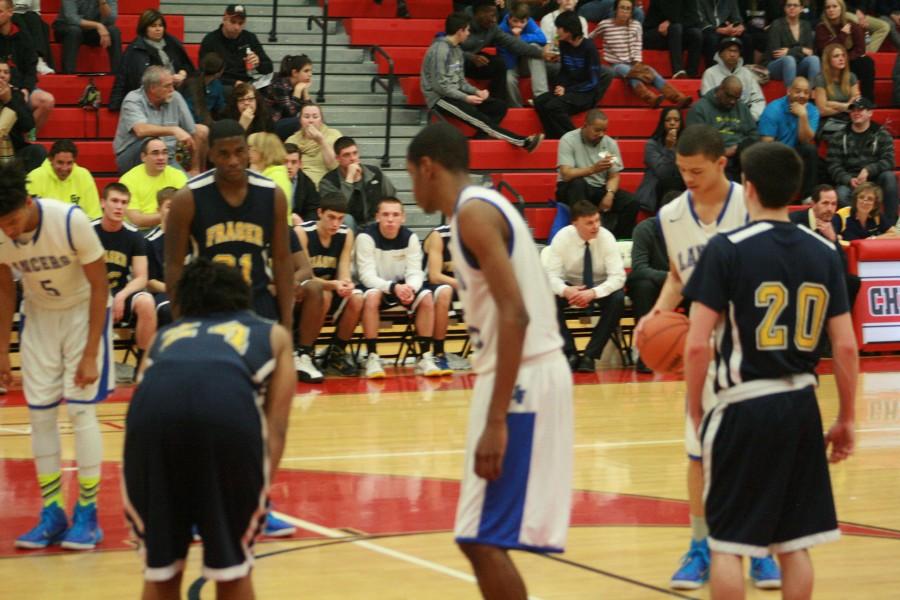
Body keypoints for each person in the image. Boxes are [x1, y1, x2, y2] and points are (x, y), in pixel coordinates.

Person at [681, 141, 857, 600]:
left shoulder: (726, 248)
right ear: (797, 191)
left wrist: (694, 413)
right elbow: (845, 346)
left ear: (750, 189)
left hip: (742, 406)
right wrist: (847, 417)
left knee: (727, 544)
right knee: (794, 544)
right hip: (801, 403)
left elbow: (697, 344)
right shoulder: (824, 252)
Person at [407, 122, 573, 600]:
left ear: (428, 167)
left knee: (480, 537)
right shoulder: (480, 207)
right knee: (479, 537)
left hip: (525, 376)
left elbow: (516, 314)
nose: (412, 184)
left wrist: (497, 418)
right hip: (517, 372)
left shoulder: (473, 215)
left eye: (411, 173)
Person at [633, 124, 781, 591]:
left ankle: (760, 549)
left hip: (754, 348)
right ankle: (700, 545)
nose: (689, 178)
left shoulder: (752, 204)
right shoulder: (673, 214)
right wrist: (656, 314)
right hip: (704, 352)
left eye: (697, 171)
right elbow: (678, 275)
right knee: (698, 454)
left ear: (722, 163)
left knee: (756, 454)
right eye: (681, 170)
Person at [123, 257, 296, 600]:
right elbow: (275, 428)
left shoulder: (165, 335)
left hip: (150, 430)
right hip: (226, 423)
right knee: (232, 570)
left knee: (161, 571)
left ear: (184, 301)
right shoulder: (273, 335)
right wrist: (256, 491)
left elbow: (138, 407)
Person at [164, 119, 297, 536]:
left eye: (240, 152)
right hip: (208, 314)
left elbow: (283, 260)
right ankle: (201, 505)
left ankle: (258, 501)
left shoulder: (271, 195)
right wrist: (182, 323)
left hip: (257, 311)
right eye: (224, 153)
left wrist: (287, 325)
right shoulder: (189, 199)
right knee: (208, 415)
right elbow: (172, 267)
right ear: (211, 155)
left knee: (257, 418)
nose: (234, 160)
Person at [0, 162, 113, 551]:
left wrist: (90, 353)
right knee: (39, 415)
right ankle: (52, 511)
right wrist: (2, 350)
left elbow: (100, 287)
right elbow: (4, 292)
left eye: (13, 220)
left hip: (83, 312)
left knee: (81, 410)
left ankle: (88, 513)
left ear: (28, 202)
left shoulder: (69, 220)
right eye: (3, 225)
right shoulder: (0, 232)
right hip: (40, 318)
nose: (9, 230)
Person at [421, 11, 544, 153]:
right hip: (440, 98)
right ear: (460, 31)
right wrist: (466, 97)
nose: (468, 33)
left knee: (498, 106)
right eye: (467, 30)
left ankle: (476, 143)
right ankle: (523, 142)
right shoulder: (440, 50)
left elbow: (460, 81)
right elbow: (440, 86)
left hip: (455, 94)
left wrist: (476, 91)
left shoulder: (457, 51)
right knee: (480, 119)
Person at [354, 197, 442, 379]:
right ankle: (372, 356)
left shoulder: (410, 238)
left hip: (401, 288)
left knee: (426, 296)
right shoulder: (365, 237)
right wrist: (393, 288)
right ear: (377, 217)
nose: (390, 219)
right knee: (372, 296)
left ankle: (425, 356)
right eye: (385, 215)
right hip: (377, 287)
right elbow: (366, 276)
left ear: (403, 217)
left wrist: (410, 288)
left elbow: (415, 272)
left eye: (395, 215)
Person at [542, 200, 626, 374]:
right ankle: (569, 353)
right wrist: (565, 290)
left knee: (618, 298)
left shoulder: (607, 237)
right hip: (571, 286)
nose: (595, 226)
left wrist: (593, 293)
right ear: (575, 224)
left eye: (597, 220)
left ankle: (590, 355)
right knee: (546, 298)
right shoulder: (562, 238)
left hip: (599, 286)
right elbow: (550, 277)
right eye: (589, 223)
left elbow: (618, 277)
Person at [295, 193, 364, 377]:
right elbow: (305, 274)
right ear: (320, 213)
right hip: (303, 292)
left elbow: (343, 267)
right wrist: (333, 285)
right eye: (331, 217)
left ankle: (336, 353)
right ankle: (306, 351)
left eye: (340, 219)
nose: (336, 223)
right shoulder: (302, 232)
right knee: (322, 294)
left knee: (357, 298)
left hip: (330, 288)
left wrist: (346, 283)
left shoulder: (346, 233)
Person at [92, 182, 156, 358]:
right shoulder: (88, 231)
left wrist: (121, 295)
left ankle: (142, 365)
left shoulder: (134, 235)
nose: (119, 206)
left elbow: (142, 277)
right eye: (114, 201)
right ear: (103, 202)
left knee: (146, 302)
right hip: (90, 294)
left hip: (120, 293)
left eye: (124, 202)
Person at [590, 0, 692, 109]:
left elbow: (638, 46)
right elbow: (589, 38)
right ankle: (670, 97)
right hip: (615, 65)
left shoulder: (636, 25)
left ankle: (669, 98)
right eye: (622, 8)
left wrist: (637, 63)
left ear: (632, 12)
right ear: (616, 9)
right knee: (629, 70)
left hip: (633, 63)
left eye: (628, 9)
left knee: (641, 73)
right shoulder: (605, 24)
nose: (625, 11)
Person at [555, 109, 639, 239]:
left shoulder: (610, 143)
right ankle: (581, 237)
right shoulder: (568, 139)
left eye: (604, 130)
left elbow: (614, 176)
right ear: (585, 126)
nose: (601, 134)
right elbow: (566, 174)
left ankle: (617, 241)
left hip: (598, 187)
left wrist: (610, 193)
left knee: (632, 202)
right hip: (571, 187)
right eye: (597, 130)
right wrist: (592, 169)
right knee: (578, 184)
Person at [113, 66, 209, 175]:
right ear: (153, 88)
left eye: (172, 85)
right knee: (152, 141)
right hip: (133, 155)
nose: (172, 89)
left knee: (201, 130)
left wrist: (195, 169)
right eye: (167, 86)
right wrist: (173, 130)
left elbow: (193, 132)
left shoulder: (175, 97)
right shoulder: (133, 99)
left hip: (167, 157)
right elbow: (140, 130)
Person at [533, 11, 608, 140]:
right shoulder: (564, 44)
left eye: (559, 28)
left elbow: (593, 81)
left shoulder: (589, 48)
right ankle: (554, 136)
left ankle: (577, 139)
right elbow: (564, 71)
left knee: (553, 106)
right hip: (569, 90)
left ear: (568, 30)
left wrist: (567, 89)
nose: (557, 31)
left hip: (586, 93)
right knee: (539, 102)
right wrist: (560, 85)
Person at [461, 0, 550, 106]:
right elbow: (446, 46)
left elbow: (512, 43)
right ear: (480, 13)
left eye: (496, 16)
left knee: (499, 63)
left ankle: (497, 103)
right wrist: (470, 57)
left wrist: (540, 54)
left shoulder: (493, 28)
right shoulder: (462, 23)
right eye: (492, 16)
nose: (494, 20)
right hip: (457, 63)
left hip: (475, 61)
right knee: (507, 72)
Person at [627, 190, 678, 374]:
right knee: (643, 287)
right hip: (652, 283)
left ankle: (697, 351)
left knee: (703, 288)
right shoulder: (644, 229)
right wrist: (670, 278)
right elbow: (639, 267)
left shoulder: (688, 229)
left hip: (680, 284)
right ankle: (645, 355)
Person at [825, 96, 897, 225]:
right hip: (850, 181)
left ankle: (890, 225)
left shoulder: (882, 134)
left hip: (874, 179)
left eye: (861, 109)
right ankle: (856, 226)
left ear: (870, 113)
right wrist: (848, 179)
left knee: (889, 177)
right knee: (841, 194)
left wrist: (868, 170)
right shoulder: (839, 136)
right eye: (853, 110)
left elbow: (889, 160)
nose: (856, 112)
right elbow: (833, 165)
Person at [790, 184, 861, 308]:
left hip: (822, 276)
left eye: (834, 204)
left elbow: (843, 268)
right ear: (812, 204)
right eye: (825, 203)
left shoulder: (832, 223)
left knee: (852, 281)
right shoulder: (794, 221)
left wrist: (833, 239)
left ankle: (840, 324)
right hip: (797, 275)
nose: (830, 208)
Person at [109, 9, 194, 111]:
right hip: (150, 100)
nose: (158, 29)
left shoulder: (173, 43)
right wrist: (116, 103)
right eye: (153, 26)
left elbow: (188, 66)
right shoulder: (134, 49)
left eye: (160, 25)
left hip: (177, 93)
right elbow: (123, 78)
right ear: (145, 28)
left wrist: (182, 74)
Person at [687, 76, 760, 181]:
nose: (732, 102)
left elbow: (754, 135)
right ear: (720, 89)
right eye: (729, 96)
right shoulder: (699, 109)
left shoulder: (741, 108)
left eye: (736, 98)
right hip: (715, 159)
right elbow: (694, 144)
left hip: (742, 156)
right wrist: (724, 151)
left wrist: (739, 148)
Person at [319, 136, 399, 232]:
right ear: (337, 158)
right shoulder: (328, 182)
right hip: (348, 227)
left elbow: (391, 197)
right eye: (346, 155)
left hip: (375, 223)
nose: (352, 158)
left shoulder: (374, 173)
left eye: (355, 153)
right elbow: (336, 209)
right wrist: (349, 180)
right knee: (347, 219)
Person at [758, 77, 820, 199]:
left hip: (796, 152)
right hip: (775, 152)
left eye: (806, 92)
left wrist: (803, 116)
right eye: (798, 91)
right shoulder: (773, 109)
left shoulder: (812, 111)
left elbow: (805, 140)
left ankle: (807, 198)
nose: (802, 95)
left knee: (810, 150)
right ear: (788, 91)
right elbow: (766, 144)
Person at [0, 1, 55, 133]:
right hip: (2, 85)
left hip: (20, 87)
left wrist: (26, 89)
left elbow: (31, 70)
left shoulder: (23, 37)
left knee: (47, 101)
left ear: (10, 12)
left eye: (0, 11)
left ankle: (27, 138)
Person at [422, 223, 470, 373]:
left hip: (459, 286)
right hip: (430, 286)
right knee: (445, 292)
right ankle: (438, 352)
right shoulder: (439, 235)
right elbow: (434, 276)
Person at [119, 137, 189, 229]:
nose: (161, 157)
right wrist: (169, 214)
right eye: (155, 153)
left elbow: (187, 209)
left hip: (170, 228)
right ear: (143, 157)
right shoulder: (128, 179)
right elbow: (136, 219)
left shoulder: (178, 175)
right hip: (140, 232)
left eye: (164, 153)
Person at [199, 4, 273, 90]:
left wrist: (258, 63)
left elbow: (268, 68)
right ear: (224, 19)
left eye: (240, 23)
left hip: (246, 83)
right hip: (222, 84)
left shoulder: (250, 38)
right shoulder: (210, 40)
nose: (237, 27)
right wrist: (233, 83)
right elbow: (204, 72)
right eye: (233, 22)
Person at [815, 0, 875, 101]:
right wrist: (842, 35)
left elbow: (860, 49)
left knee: (867, 62)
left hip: (848, 60)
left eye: (834, 6)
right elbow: (825, 50)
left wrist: (844, 58)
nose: (831, 10)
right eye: (828, 7)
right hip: (829, 62)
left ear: (841, 8)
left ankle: (866, 101)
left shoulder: (852, 25)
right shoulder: (821, 27)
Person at [27, 139, 101, 219]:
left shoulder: (84, 176)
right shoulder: (34, 177)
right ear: (50, 160)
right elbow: (28, 217)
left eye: (69, 163)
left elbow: (94, 216)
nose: (64, 168)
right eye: (60, 162)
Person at [701, 36, 766, 121]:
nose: (732, 54)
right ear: (720, 53)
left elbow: (758, 100)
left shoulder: (747, 73)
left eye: (735, 51)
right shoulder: (710, 73)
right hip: (719, 120)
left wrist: (751, 117)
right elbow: (707, 102)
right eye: (729, 50)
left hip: (745, 119)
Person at [498, 2, 549, 108]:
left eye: (522, 22)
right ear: (509, 18)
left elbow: (542, 39)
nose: (518, 25)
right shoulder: (501, 29)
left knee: (535, 46)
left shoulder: (529, 21)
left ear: (527, 20)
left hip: (526, 61)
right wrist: (515, 43)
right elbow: (505, 58)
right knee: (508, 79)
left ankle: (541, 96)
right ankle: (516, 107)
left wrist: (520, 39)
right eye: (515, 21)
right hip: (510, 62)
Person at [634, 108, 686, 213]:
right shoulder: (651, 145)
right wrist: (669, 148)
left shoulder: (687, 144)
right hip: (657, 189)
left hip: (682, 185)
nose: (672, 123)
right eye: (668, 120)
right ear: (662, 123)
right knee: (670, 184)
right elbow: (663, 173)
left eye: (676, 120)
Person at [0, 59, 46, 172]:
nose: (2, 75)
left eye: (6, 72)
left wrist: (9, 101)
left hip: (14, 151)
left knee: (37, 151)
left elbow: (28, 126)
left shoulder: (16, 95)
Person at [52, 0, 122, 74]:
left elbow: (111, 20)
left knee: (114, 31)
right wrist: (98, 25)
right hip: (66, 27)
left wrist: (102, 2)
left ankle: (117, 74)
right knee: (74, 31)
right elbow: (71, 18)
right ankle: (68, 73)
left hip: (91, 31)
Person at [765, 0, 821, 88]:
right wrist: (801, 50)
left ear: (801, 8)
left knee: (814, 59)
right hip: (776, 66)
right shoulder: (777, 24)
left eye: (795, 5)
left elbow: (809, 52)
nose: (792, 7)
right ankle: (791, 95)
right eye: (789, 5)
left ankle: (811, 93)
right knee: (789, 60)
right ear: (784, 8)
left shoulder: (806, 25)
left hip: (798, 65)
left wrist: (790, 51)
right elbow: (776, 53)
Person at [285, 103, 342, 188]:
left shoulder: (334, 135)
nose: (311, 121)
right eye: (306, 117)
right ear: (300, 120)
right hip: (299, 187)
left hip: (325, 187)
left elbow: (335, 167)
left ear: (321, 120)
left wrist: (321, 141)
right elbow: (285, 168)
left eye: (315, 117)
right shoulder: (292, 140)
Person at [642, 0, 703, 79]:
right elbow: (652, 22)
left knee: (696, 34)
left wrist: (671, 22)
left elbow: (694, 19)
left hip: (676, 34)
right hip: (655, 34)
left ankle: (691, 74)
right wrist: (672, 24)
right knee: (676, 28)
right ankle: (678, 71)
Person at [144, 187, 177, 327]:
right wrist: (174, 289)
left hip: (190, 291)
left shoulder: (191, 238)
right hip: (163, 293)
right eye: (169, 206)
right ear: (159, 210)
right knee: (169, 310)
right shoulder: (149, 242)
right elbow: (149, 282)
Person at [813, 43, 861, 137]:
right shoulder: (821, 79)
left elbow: (855, 104)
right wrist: (845, 107)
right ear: (828, 60)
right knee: (851, 131)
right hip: (828, 121)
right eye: (836, 56)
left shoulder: (851, 77)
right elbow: (822, 111)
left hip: (848, 118)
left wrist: (830, 103)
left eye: (843, 55)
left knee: (868, 128)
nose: (841, 58)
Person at [267, 54, 314, 140]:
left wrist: (305, 92)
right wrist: (297, 92)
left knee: (316, 120)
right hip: (271, 127)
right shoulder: (279, 85)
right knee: (300, 122)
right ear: (295, 73)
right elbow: (291, 113)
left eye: (311, 71)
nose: (310, 74)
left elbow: (311, 111)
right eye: (306, 71)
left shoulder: (299, 85)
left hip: (287, 125)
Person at [697, 0, 754, 68]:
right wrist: (718, 30)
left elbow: (736, 18)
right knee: (712, 39)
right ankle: (713, 70)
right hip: (708, 30)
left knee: (747, 38)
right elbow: (700, 21)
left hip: (727, 29)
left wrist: (739, 27)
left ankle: (746, 70)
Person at [833, 181, 899, 240]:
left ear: (875, 204)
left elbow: (896, 235)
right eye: (861, 197)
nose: (864, 202)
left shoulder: (877, 216)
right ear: (856, 200)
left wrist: (874, 239)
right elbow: (831, 237)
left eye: (870, 199)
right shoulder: (842, 215)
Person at [247, 131, 292, 206]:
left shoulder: (277, 177)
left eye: (251, 148)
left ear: (263, 150)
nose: (248, 152)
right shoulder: (265, 173)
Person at [182, 52, 226, 125]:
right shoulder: (191, 85)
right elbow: (187, 113)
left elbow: (221, 107)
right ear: (218, 73)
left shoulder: (217, 85)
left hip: (208, 122)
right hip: (192, 124)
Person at [284, 142, 320, 223]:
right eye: (285, 161)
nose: (289, 166)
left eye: (293, 162)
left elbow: (313, 211)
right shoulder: (271, 179)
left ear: (300, 164)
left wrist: (302, 223)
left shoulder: (308, 184)